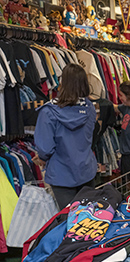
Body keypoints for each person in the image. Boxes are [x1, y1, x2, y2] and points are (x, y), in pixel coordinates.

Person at [34, 63, 97, 210]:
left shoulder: (48, 111)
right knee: (89, 218)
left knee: (67, 220)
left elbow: (45, 148)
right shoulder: (89, 108)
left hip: (61, 173)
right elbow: (90, 136)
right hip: (86, 170)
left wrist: (42, 158)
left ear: (63, 82)